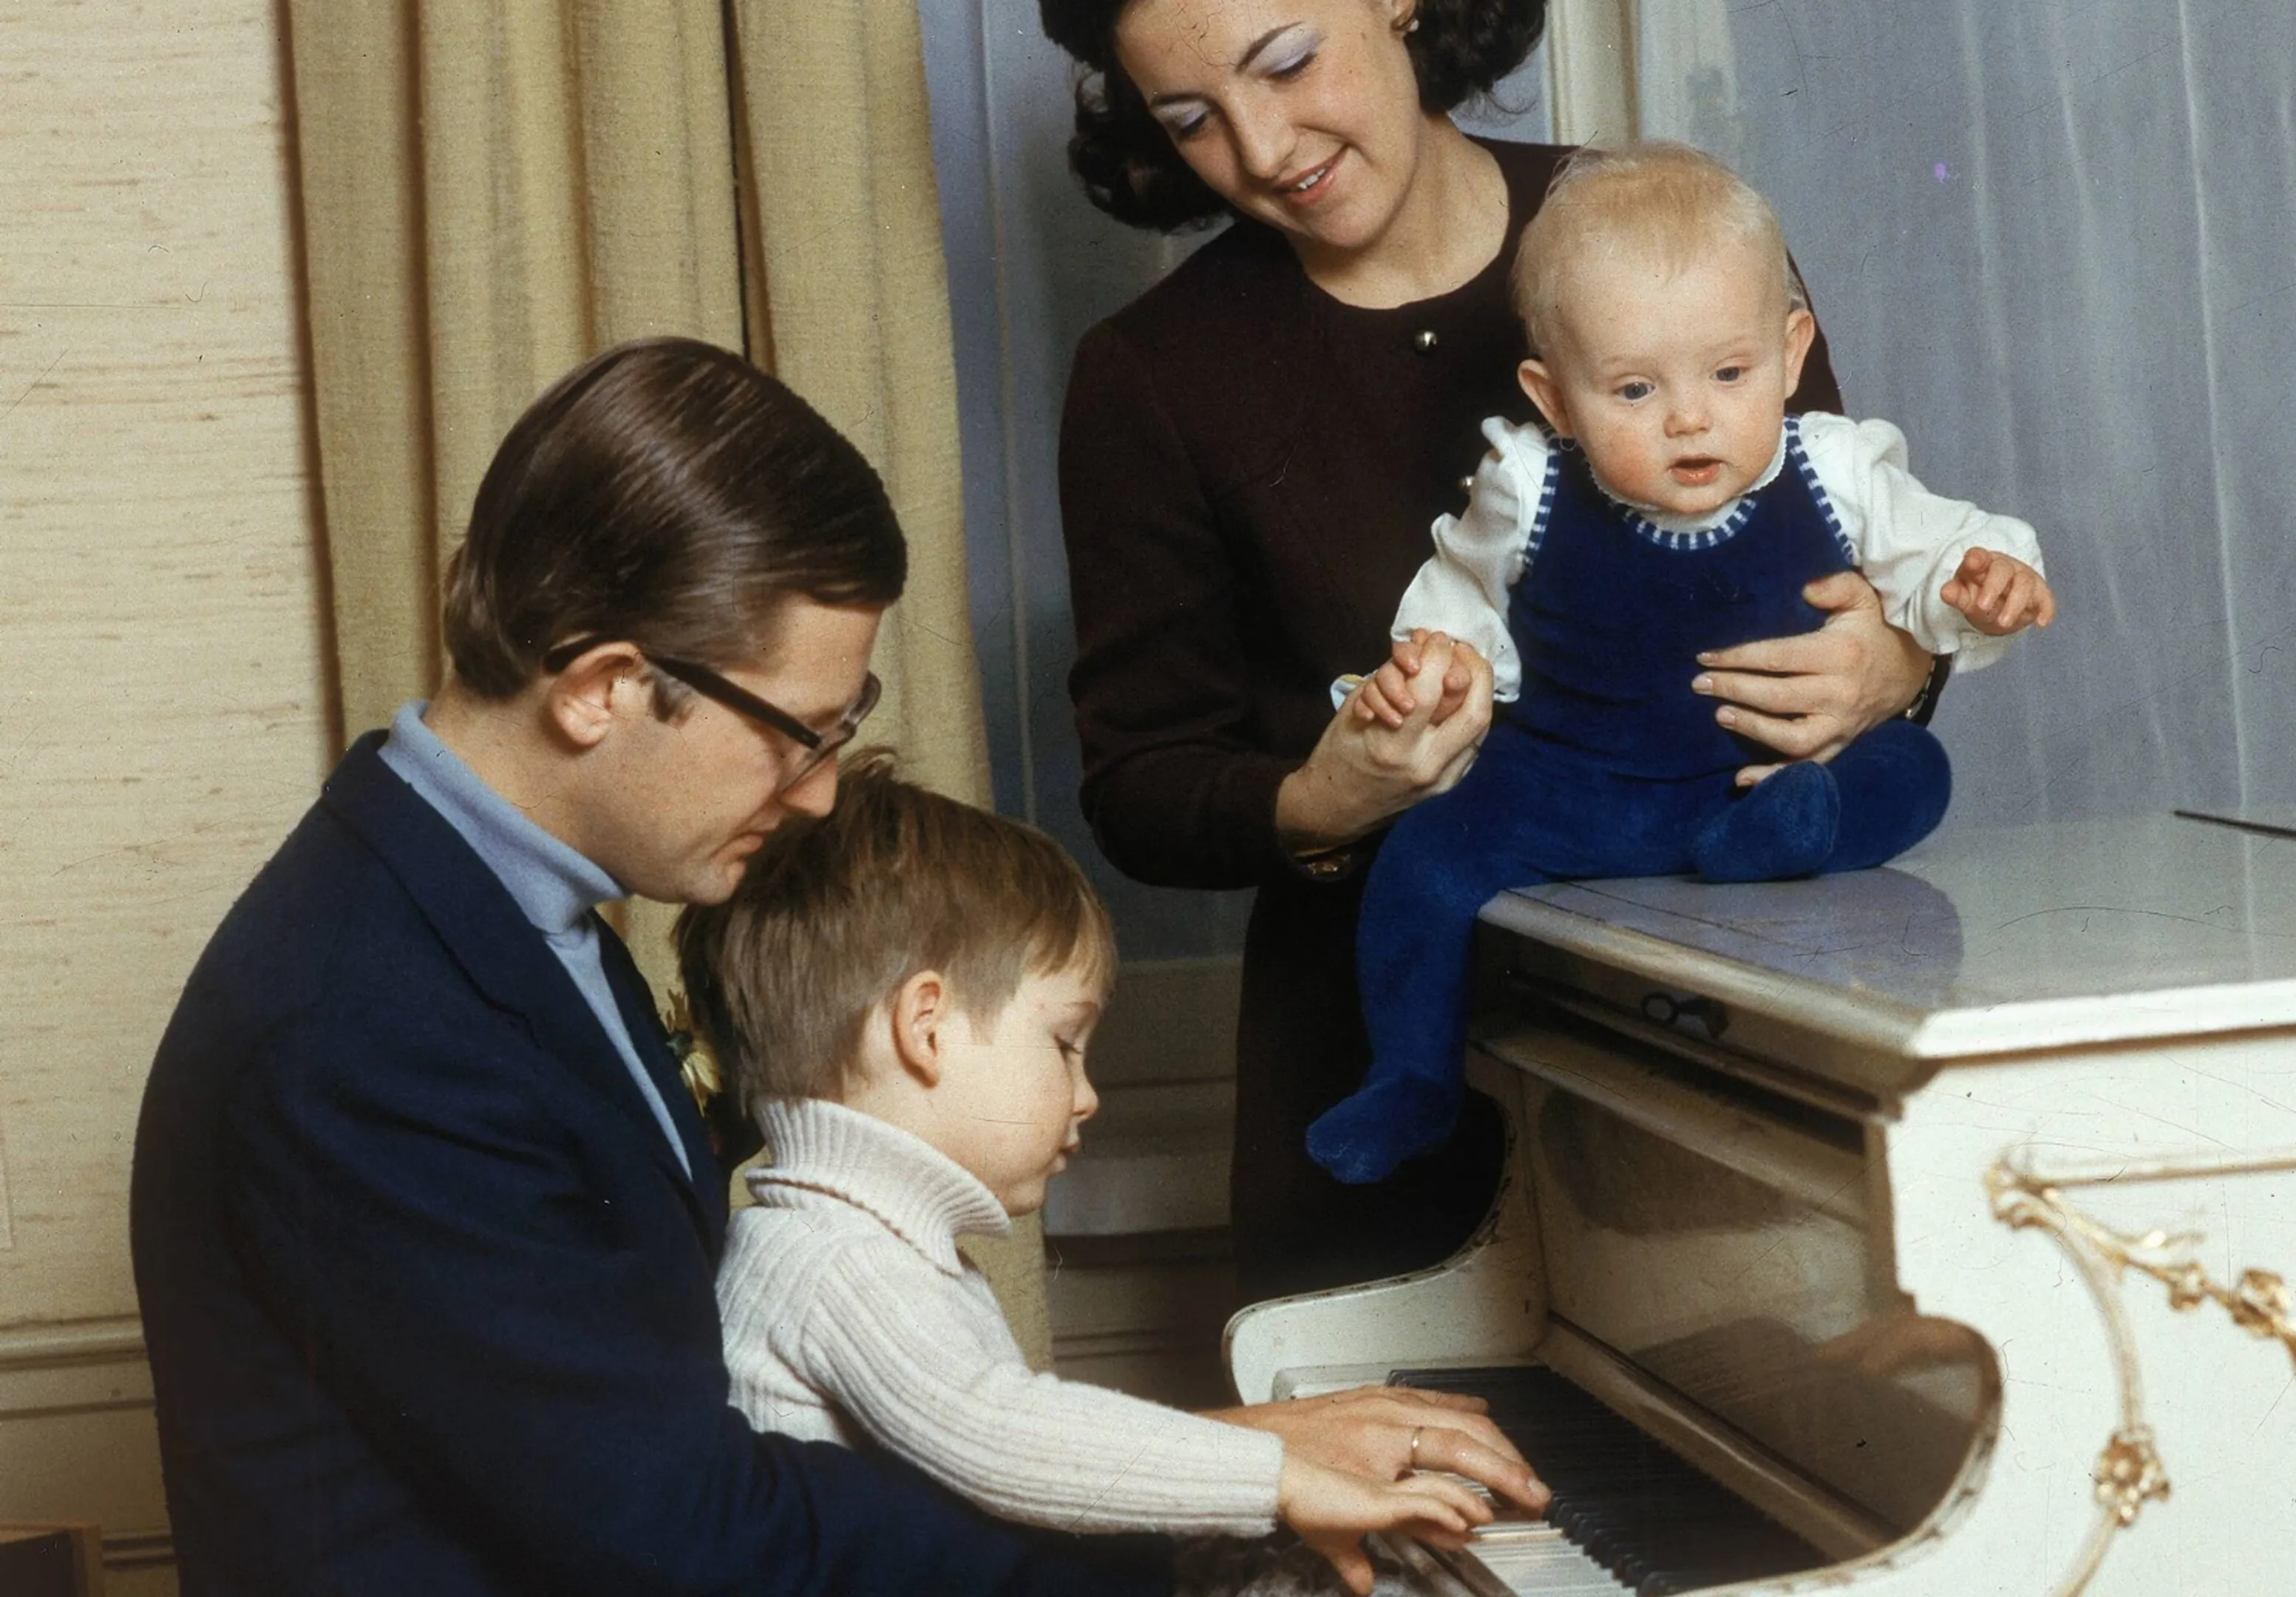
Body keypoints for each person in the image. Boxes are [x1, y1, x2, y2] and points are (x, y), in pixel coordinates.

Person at [130, 339, 1169, 1596]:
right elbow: (682, 1538)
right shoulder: (361, 1028)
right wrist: (1170, 1513)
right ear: (605, 690)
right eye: (800, 735)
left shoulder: (507, 915)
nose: (823, 792)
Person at [1042, 0, 1938, 1303]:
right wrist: (1323, 799)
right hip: (1372, 1074)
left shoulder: (1663, 229)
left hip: (1727, 1046)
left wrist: (1897, 662)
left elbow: (1852, 542)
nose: (1262, 145)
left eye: (1288, 63)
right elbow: (1140, 781)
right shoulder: (1152, 372)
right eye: (1190, 120)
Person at [1308, 143, 2054, 1182]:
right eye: (1633, 389)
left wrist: (1985, 581)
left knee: (1914, 773)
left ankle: (1787, 834)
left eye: (1729, 373)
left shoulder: (1835, 465)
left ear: (1792, 354)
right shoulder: (1528, 485)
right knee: (1425, 858)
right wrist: (1434, 666)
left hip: (1765, 776)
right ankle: (1413, 1078)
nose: (1689, 417)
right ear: (1555, 398)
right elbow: (1460, 598)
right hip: (1574, 792)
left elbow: (1940, 552)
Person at [677, 754, 1551, 1596]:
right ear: (927, 1026)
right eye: (1064, 1045)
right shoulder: (836, 1259)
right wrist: (1279, 1476)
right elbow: (1002, 1437)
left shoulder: (854, 1235)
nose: (1086, 1097)